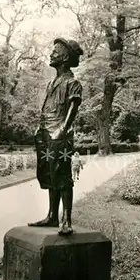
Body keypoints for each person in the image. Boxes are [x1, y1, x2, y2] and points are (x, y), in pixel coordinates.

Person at [27, 38, 84, 235]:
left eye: (56, 52)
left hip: (60, 134)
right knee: (50, 175)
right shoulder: (51, 83)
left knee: (63, 176)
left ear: (66, 57)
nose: (51, 54)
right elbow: (47, 108)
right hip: (45, 133)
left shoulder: (72, 83)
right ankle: (52, 216)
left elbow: (72, 109)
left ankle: (66, 219)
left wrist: (62, 129)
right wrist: (40, 128)